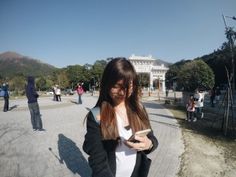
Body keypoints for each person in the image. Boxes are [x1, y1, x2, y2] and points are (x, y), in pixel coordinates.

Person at [83, 58, 158, 177]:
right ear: (107, 85)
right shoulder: (97, 116)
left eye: (128, 86)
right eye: (117, 86)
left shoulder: (138, 109)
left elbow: (152, 138)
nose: (122, 92)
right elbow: (98, 162)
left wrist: (149, 144)